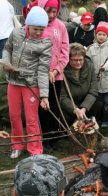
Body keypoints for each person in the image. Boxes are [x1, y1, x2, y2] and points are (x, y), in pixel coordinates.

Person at [2, 6, 51, 158]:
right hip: (13, 82)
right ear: (28, 24)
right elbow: (7, 49)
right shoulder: (16, 33)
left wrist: (44, 96)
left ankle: (35, 149)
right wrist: (7, 62)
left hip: (31, 84)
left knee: (31, 118)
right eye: (36, 29)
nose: (38, 32)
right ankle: (17, 145)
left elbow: (43, 70)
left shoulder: (45, 44)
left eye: (41, 29)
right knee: (14, 115)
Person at [35, 0, 69, 149]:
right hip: (40, 74)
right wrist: (43, 70)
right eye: (48, 11)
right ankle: (44, 137)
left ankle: (54, 136)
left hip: (56, 74)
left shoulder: (60, 26)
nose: (52, 15)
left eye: (55, 12)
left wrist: (56, 70)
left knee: (54, 104)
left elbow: (65, 49)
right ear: (42, 9)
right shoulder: (36, 25)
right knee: (42, 106)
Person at [60, 43, 103, 125]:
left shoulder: (90, 66)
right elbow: (62, 97)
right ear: (68, 59)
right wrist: (75, 109)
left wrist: (84, 108)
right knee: (64, 120)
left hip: (85, 102)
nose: (78, 62)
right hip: (70, 104)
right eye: (75, 60)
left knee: (99, 104)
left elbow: (93, 91)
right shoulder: (62, 71)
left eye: (81, 59)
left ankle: (90, 123)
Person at [87, 22, 108, 125]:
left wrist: (106, 66)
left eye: (104, 35)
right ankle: (98, 119)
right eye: (99, 34)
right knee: (99, 102)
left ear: (107, 36)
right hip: (96, 82)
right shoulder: (91, 48)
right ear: (96, 35)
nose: (101, 37)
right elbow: (88, 61)